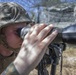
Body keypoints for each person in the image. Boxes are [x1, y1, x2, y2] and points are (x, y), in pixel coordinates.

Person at [0, 2, 58, 75]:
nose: (24, 36)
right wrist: (21, 66)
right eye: (18, 31)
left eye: (26, 29)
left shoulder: (18, 50)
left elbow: (45, 64)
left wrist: (45, 51)